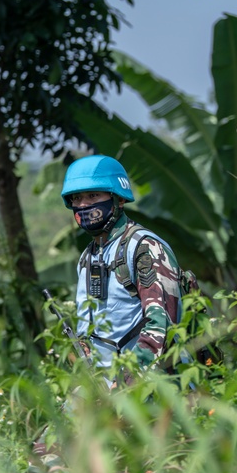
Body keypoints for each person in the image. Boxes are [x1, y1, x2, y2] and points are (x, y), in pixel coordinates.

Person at [61, 154, 183, 378]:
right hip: (102, 390)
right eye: (76, 198)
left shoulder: (145, 248)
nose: (83, 205)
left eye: (93, 195)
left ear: (119, 199)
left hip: (150, 388)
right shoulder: (88, 257)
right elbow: (87, 330)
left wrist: (127, 384)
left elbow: (161, 327)